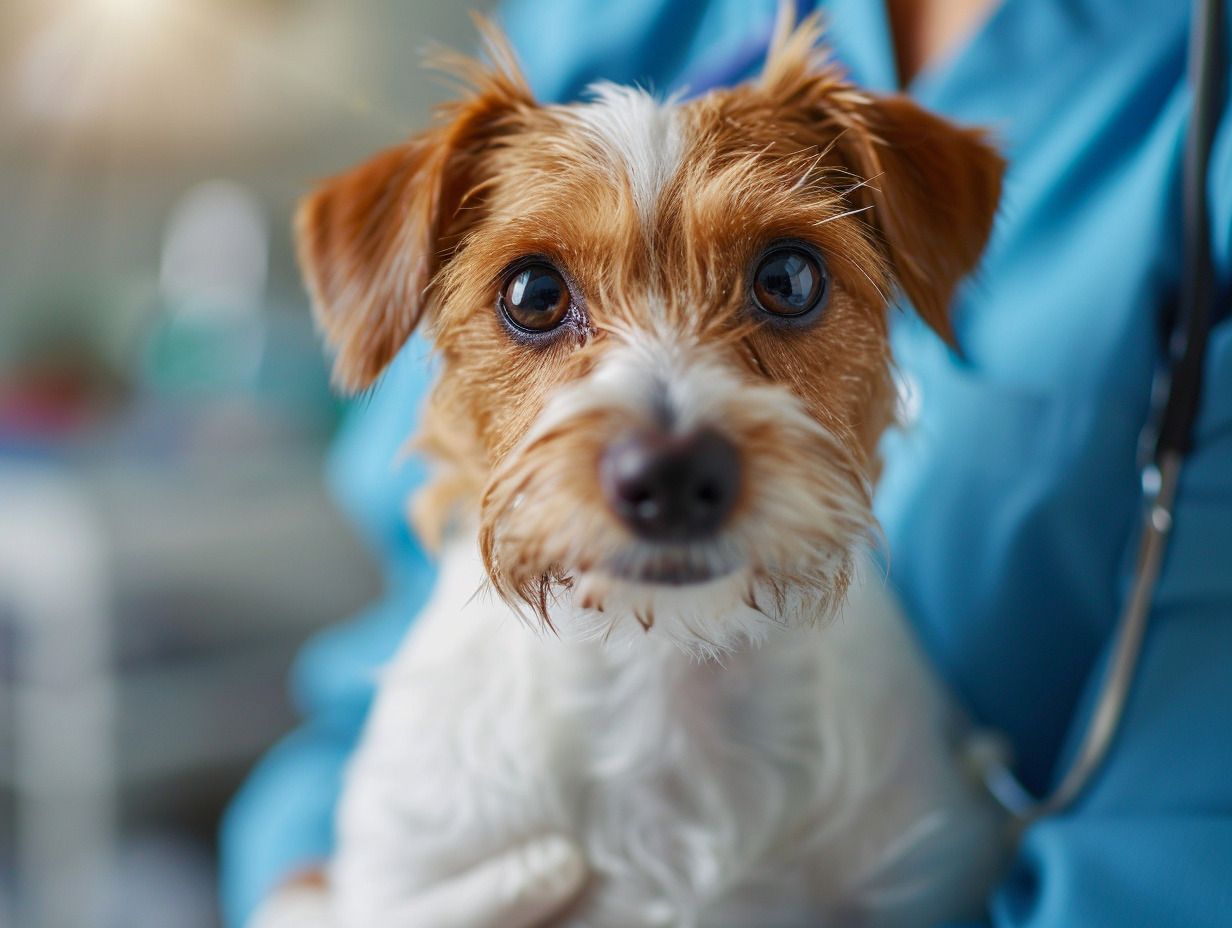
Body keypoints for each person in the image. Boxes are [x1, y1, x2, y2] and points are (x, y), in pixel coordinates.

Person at [220, 0, 1232, 925]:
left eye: (783, 282)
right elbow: (344, 714)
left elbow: (1182, 850)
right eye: (535, 299)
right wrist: (299, 894)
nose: (663, 441)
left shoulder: (1191, 93)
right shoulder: (602, 20)